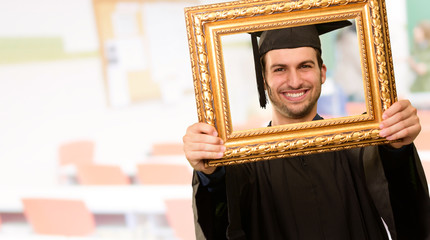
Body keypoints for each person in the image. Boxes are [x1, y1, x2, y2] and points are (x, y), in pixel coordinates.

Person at [183, 21, 430, 240]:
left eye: (305, 66)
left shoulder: (358, 149)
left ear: (322, 73)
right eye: (280, 69)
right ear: (264, 77)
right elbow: (221, 216)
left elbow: (406, 209)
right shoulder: (245, 164)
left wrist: (398, 148)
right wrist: (210, 172)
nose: (294, 81)